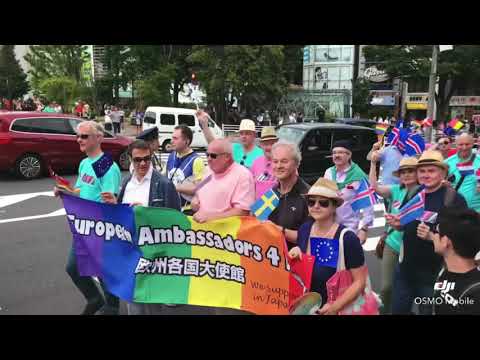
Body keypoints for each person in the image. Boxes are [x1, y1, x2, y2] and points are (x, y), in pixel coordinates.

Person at [102, 140, 183, 315]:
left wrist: (147, 213)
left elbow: (176, 222)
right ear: (130, 159)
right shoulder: (126, 183)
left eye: (147, 158)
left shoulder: (163, 184)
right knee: (133, 303)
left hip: (153, 255)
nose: (143, 163)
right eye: (138, 160)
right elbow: (122, 217)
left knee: (153, 306)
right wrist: (115, 205)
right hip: (130, 252)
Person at [386, 150, 468, 315]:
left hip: (434, 275)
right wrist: (399, 225)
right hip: (405, 271)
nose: (426, 175)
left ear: (442, 172)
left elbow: (463, 237)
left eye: (431, 170)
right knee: (398, 310)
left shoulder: (454, 199)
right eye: (422, 171)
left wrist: (432, 237)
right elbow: (408, 223)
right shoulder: (416, 193)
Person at [54, 121, 122, 315]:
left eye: (84, 136)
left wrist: (111, 203)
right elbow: (81, 190)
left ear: (99, 138)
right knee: (73, 268)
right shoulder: (85, 162)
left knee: (101, 270)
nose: (79, 140)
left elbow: (109, 201)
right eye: (78, 136)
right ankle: (95, 299)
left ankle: (111, 306)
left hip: (99, 227)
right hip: (83, 226)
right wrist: (65, 190)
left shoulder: (105, 165)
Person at [289, 178, 367, 315]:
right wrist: (296, 252)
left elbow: (360, 282)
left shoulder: (348, 238)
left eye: (323, 203)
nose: (316, 206)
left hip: (338, 309)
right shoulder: (304, 229)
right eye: (311, 202)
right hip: (308, 307)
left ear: (334, 206)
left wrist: (334, 307)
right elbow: (304, 268)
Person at [369, 156, 420, 314]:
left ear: (418, 173)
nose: (406, 174)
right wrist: (373, 163)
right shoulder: (395, 190)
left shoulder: (425, 192)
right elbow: (375, 187)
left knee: (408, 288)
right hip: (392, 243)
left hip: (414, 247)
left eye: (410, 171)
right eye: (403, 172)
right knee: (386, 288)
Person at [191, 138, 255, 224]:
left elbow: (242, 211)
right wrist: (195, 199)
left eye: (213, 156)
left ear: (227, 157)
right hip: (202, 231)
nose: (209, 159)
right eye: (207, 155)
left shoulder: (243, 175)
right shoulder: (208, 171)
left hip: (227, 234)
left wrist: (211, 217)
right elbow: (199, 191)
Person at [431, 207, 480, 315]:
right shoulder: (445, 270)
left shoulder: (475, 294)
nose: (433, 235)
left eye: (437, 232)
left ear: (446, 242)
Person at [324, 140, 374, 245]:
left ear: (349, 155)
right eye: (334, 153)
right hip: (329, 226)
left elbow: (367, 206)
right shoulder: (328, 173)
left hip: (349, 228)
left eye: (341, 152)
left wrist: (364, 229)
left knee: (349, 260)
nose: (336, 155)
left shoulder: (359, 176)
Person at [267, 140, 310, 248]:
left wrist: (279, 230)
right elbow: (256, 221)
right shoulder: (272, 192)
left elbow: (311, 237)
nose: (278, 166)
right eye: (275, 161)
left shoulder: (308, 196)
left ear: (296, 164)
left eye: (284, 161)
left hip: (296, 260)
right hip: (271, 258)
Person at [166, 125, 206, 214]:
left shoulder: (196, 160)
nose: (172, 141)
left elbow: (199, 188)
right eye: (172, 138)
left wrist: (174, 187)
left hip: (187, 210)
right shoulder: (171, 156)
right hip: (169, 209)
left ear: (186, 141)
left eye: (175, 138)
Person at [445, 132, 480, 212]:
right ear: (456, 145)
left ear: (472, 144)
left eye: (467, 144)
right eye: (461, 144)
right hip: (456, 211)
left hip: (477, 211)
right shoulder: (447, 163)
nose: (464, 147)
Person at [250, 127, 279, 199]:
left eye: (272, 144)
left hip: (280, 208)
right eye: (266, 144)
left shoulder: (284, 163)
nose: (269, 147)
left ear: (277, 144)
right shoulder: (256, 163)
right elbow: (251, 188)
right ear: (261, 145)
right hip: (259, 208)